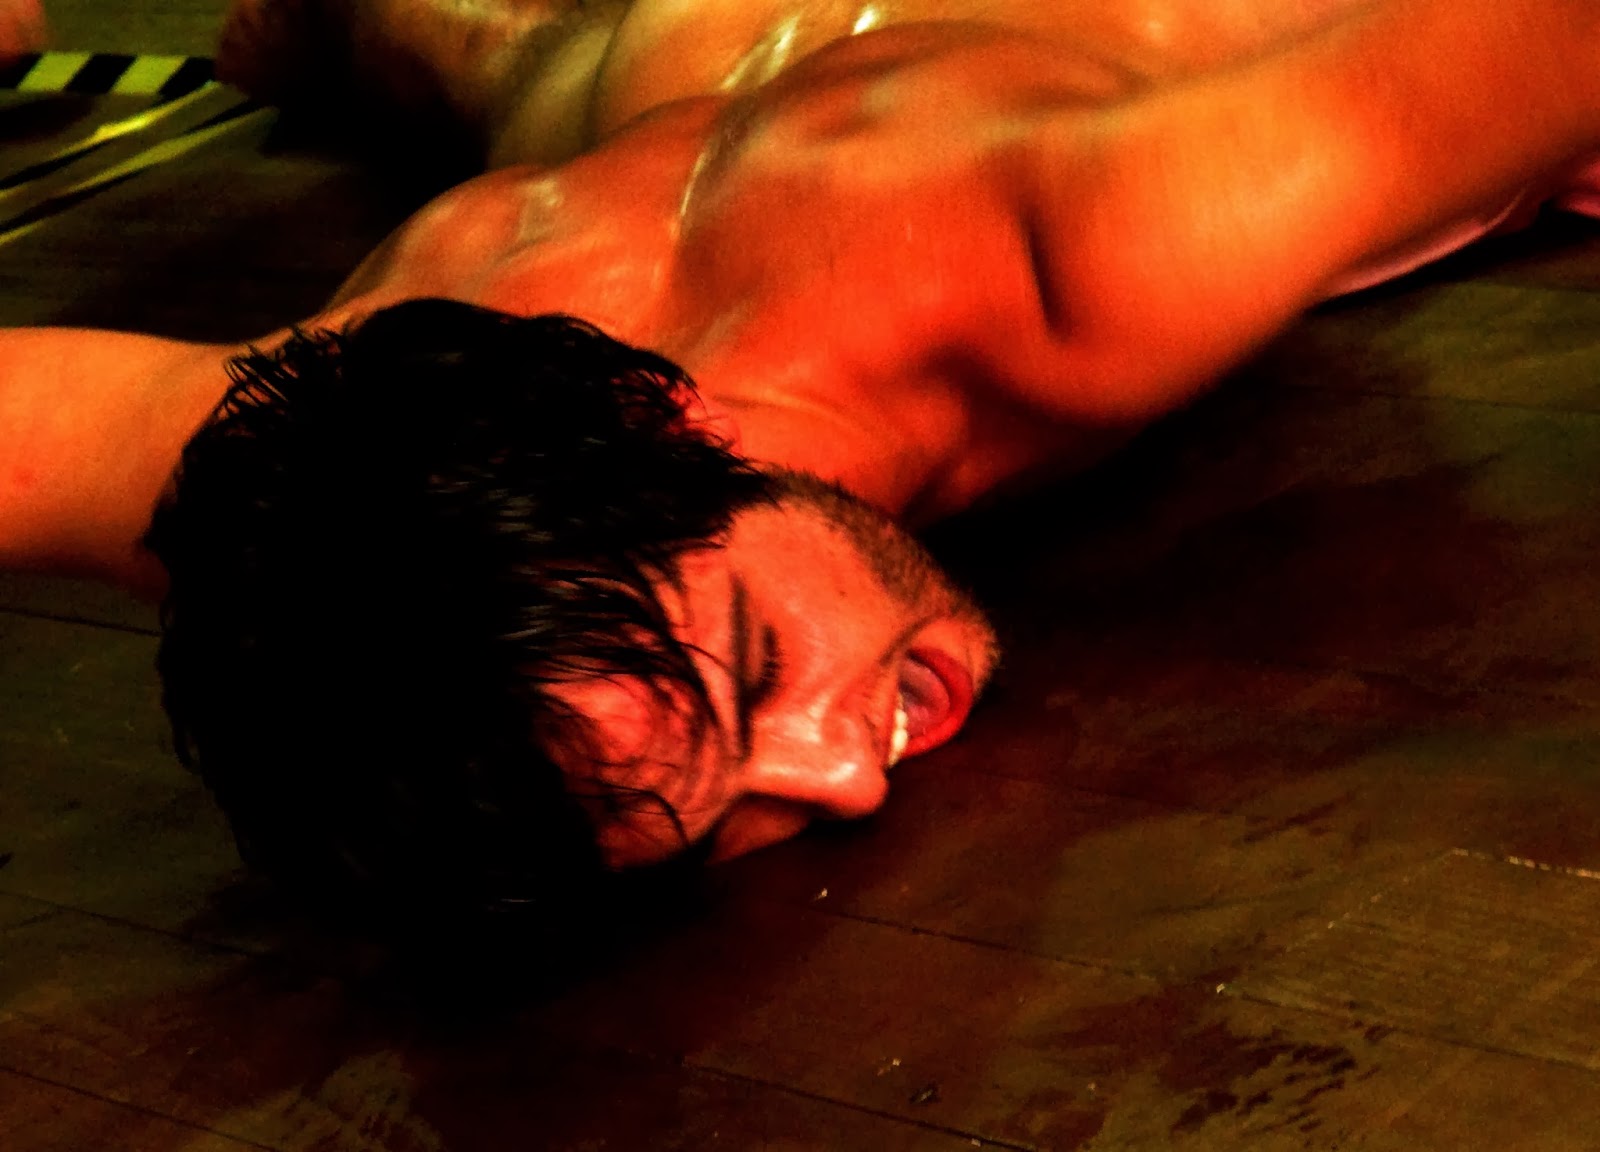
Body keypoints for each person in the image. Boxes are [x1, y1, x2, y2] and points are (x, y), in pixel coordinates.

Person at [2, 0, 1597, 923]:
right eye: (719, 817)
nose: (843, 773)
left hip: (954, 63)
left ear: (680, 421)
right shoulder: (321, 493)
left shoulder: (1089, 244)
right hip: (641, 49)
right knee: (487, 49)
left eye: (764, 668)